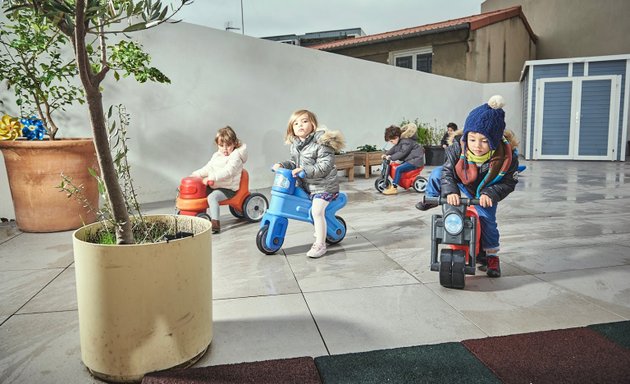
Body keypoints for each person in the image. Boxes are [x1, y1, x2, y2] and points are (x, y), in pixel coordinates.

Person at [416, 95, 519, 278]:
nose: (477, 146)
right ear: (466, 136)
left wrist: (490, 193)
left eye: (485, 141)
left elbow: (509, 182)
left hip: (486, 191)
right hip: (461, 185)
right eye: (472, 139)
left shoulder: (505, 157)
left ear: (494, 140)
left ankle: (491, 255)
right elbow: (448, 172)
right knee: (438, 174)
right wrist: (450, 191)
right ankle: (431, 198)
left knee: (487, 221)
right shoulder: (457, 148)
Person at [272, 109, 345, 258]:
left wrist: (304, 170)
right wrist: (283, 165)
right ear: (291, 128)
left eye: (304, 121)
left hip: (324, 186)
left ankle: (320, 245)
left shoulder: (322, 142)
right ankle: (321, 229)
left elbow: (325, 166)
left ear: (313, 124)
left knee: (316, 211)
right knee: (305, 208)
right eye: (296, 123)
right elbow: (295, 163)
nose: (300, 125)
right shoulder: (296, 145)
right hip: (307, 186)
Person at [191, 126, 248, 234]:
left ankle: (215, 223)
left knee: (213, 197)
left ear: (235, 143)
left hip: (228, 188)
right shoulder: (217, 155)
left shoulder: (235, 157)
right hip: (216, 185)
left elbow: (228, 172)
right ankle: (196, 216)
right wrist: (196, 175)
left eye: (228, 145)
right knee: (199, 191)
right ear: (217, 145)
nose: (225, 149)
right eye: (221, 146)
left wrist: (211, 177)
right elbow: (208, 168)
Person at [382, 123, 425, 195]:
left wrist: (391, 157)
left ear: (396, 137)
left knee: (398, 169)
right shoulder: (401, 141)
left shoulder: (407, 142)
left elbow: (402, 152)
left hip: (415, 161)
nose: (391, 143)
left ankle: (394, 188)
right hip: (411, 160)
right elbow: (394, 149)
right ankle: (399, 182)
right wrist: (386, 154)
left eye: (391, 141)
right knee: (395, 166)